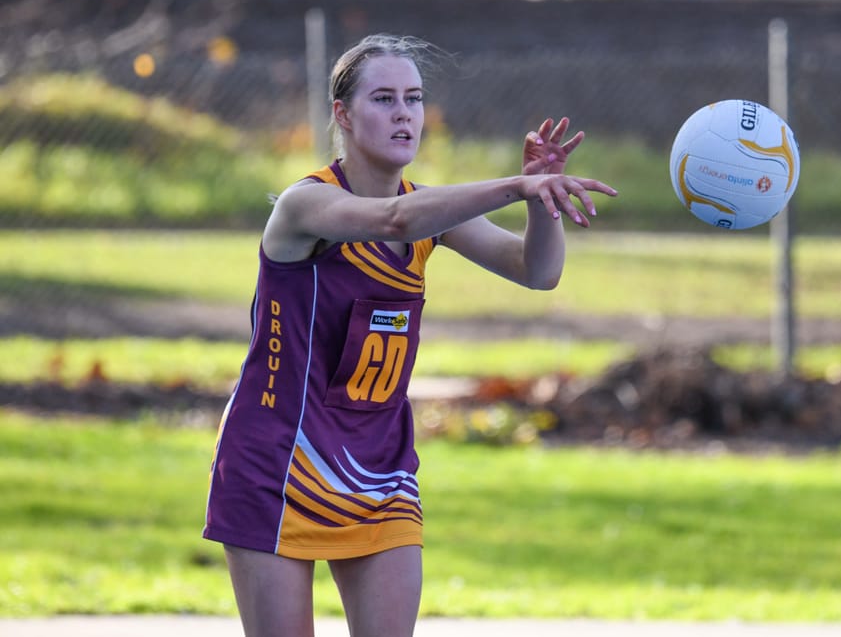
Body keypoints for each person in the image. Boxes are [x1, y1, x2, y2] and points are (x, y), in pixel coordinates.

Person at [202, 33, 618, 637]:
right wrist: (512, 185)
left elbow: (539, 271)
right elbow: (391, 220)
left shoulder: (430, 214)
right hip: (278, 458)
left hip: (379, 465)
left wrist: (540, 196)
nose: (404, 114)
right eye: (384, 99)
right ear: (343, 115)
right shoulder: (305, 205)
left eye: (415, 98)